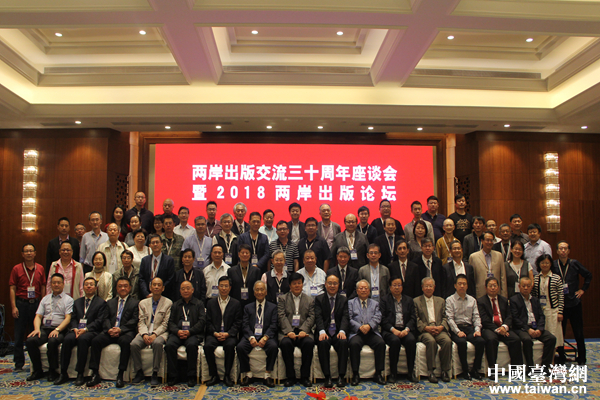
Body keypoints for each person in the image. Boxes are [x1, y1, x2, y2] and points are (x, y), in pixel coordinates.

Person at [54, 277, 107, 386]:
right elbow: (73, 318)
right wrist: (75, 328)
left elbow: (99, 321)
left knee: (83, 339)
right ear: (83, 287)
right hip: (76, 330)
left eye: (91, 284)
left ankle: (80, 373)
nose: (89, 286)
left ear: (95, 288)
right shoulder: (77, 302)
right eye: (86, 284)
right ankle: (63, 373)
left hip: (91, 331)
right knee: (67, 339)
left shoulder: (101, 303)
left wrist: (86, 329)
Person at [87, 276, 139, 388]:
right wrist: (109, 329)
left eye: (125, 286)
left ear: (130, 288)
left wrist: (121, 329)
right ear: (116, 288)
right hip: (110, 331)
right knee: (95, 341)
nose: (123, 288)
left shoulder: (135, 303)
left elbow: (134, 320)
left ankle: (120, 374)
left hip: (125, 332)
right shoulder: (110, 302)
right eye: (120, 286)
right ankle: (95, 373)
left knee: (126, 342)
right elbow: (105, 318)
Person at [26, 273, 74, 382]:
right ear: (51, 284)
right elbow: (38, 316)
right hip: (45, 328)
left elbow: (68, 318)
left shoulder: (68, 299)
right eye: (54, 283)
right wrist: (37, 329)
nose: (56, 285)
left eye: (59, 283)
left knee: (52, 341)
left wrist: (57, 329)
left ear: (63, 284)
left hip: (60, 329)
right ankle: (38, 370)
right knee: (30, 341)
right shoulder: (45, 299)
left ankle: (53, 371)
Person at [553, 241, 592, 365]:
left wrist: (583, 289)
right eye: (561, 248)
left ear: (569, 251)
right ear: (557, 251)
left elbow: (588, 275)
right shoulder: (554, 265)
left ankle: (582, 358)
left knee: (578, 332)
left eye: (565, 248)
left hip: (574, 303)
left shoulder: (574, 263)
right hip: (560, 304)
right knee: (561, 333)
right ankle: (561, 357)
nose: (563, 251)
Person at [9, 244, 46, 372]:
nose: (29, 253)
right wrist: (13, 306)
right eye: (26, 251)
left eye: (31, 251)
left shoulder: (40, 268)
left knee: (34, 334)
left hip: (35, 304)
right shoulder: (16, 269)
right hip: (21, 304)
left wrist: (42, 305)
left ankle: (34, 363)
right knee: (19, 335)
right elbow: (12, 288)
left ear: (35, 253)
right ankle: (19, 363)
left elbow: (43, 287)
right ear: (22, 254)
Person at [130, 277, 173, 387]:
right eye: (154, 285)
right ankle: (139, 372)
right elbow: (141, 322)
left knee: (157, 343)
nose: (156, 287)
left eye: (159, 285)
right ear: (150, 287)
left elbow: (165, 324)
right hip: (145, 331)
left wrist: (155, 334)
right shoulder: (143, 303)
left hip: (160, 333)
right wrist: (144, 334)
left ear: (163, 288)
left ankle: (155, 372)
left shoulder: (168, 303)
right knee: (134, 344)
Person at [509, 277, 556, 372]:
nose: (526, 288)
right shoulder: (514, 300)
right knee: (527, 339)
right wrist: (528, 329)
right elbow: (515, 318)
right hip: (522, 328)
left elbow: (541, 316)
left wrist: (540, 329)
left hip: (536, 327)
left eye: (528, 286)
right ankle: (530, 367)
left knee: (551, 338)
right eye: (523, 286)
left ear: (531, 287)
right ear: (519, 287)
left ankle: (545, 366)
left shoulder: (535, 300)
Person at [477, 277, 523, 374]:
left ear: (498, 287)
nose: (493, 288)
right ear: (485, 288)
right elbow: (484, 320)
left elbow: (509, 316)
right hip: (490, 328)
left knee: (515, 339)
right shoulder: (481, 301)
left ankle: (516, 370)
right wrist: (498, 329)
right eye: (490, 286)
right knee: (491, 339)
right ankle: (492, 369)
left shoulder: (504, 300)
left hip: (503, 328)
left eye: (495, 286)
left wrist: (504, 327)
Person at [237, 281, 277, 388]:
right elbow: (245, 325)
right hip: (251, 335)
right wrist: (251, 337)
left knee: (273, 347)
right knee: (240, 347)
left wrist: (265, 337)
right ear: (254, 292)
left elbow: (273, 325)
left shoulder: (273, 307)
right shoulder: (248, 307)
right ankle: (248, 374)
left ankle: (267, 375)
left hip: (266, 336)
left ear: (266, 292)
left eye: (262, 289)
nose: (260, 292)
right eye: (257, 290)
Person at [165, 280, 206, 387]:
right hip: (178, 333)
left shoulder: (199, 304)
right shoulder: (176, 304)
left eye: (188, 288)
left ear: (192, 290)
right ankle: (173, 375)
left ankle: (191, 375)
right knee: (169, 345)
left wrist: (190, 331)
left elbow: (202, 322)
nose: (185, 291)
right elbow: (170, 322)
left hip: (193, 333)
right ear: (180, 291)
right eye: (183, 289)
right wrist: (177, 331)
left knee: (191, 345)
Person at [278, 272, 315, 387]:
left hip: (304, 332)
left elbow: (311, 317)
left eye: (299, 283)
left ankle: (305, 377)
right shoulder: (283, 299)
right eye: (294, 283)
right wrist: (289, 331)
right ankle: (290, 377)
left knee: (309, 343)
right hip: (287, 332)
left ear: (303, 284)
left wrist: (304, 330)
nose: (297, 285)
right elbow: (281, 316)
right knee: (285, 344)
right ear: (290, 285)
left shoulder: (309, 300)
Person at [204, 276, 242, 387]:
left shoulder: (236, 303)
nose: (224, 288)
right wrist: (215, 333)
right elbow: (208, 322)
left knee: (230, 346)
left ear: (230, 288)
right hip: (214, 334)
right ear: (217, 287)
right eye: (221, 286)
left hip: (229, 334)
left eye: (226, 286)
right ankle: (214, 375)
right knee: (207, 346)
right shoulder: (211, 303)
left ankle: (227, 375)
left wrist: (228, 333)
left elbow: (238, 322)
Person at [445, 274, 484, 380]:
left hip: (469, 328)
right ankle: (465, 371)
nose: (462, 286)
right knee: (462, 342)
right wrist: (458, 332)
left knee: (480, 341)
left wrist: (477, 330)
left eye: (464, 284)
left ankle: (475, 370)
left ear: (467, 286)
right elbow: (450, 319)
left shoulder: (472, 300)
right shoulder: (449, 300)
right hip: (456, 328)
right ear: (455, 286)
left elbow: (476, 317)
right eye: (459, 284)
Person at [379, 276, 418, 383]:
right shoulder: (384, 300)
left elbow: (413, 318)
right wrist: (393, 330)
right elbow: (382, 319)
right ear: (390, 287)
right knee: (395, 341)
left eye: (399, 285)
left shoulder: (409, 300)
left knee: (411, 340)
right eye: (394, 285)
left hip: (405, 329)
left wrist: (406, 330)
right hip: (390, 330)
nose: (397, 287)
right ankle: (393, 373)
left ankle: (410, 372)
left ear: (402, 287)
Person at [347, 280, 385, 385]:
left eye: (365, 288)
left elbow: (378, 317)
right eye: (361, 288)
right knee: (354, 344)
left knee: (381, 343)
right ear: (357, 291)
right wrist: (359, 327)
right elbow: (349, 318)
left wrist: (369, 326)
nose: (363, 290)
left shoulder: (375, 303)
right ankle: (355, 374)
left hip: (371, 331)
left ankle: (378, 373)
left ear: (369, 291)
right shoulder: (351, 303)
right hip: (357, 332)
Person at [414, 277, 452, 383]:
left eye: (430, 286)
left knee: (447, 341)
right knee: (431, 342)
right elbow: (416, 319)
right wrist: (426, 328)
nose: (428, 288)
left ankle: (445, 371)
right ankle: (431, 371)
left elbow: (446, 317)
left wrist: (441, 327)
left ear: (434, 288)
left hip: (439, 329)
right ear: (422, 287)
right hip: (425, 330)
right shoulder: (416, 301)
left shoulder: (441, 301)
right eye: (426, 286)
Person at [314, 274, 349, 388]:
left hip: (338, 331)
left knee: (343, 342)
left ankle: (341, 377)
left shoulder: (343, 299)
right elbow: (318, 317)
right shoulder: (319, 299)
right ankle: (327, 377)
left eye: (335, 283)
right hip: (325, 331)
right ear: (325, 284)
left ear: (338, 285)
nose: (332, 286)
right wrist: (321, 331)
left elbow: (345, 317)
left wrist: (342, 331)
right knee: (323, 342)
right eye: (330, 283)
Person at [533, 254, 564, 358]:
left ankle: (552, 361)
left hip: (553, 311)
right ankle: (543, 360)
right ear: (539, 264)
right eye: (542, 263)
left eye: (547, 263)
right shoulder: (536, 278)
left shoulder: (556, 278)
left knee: (553, 336)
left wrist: (560, 312)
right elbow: (534, 295)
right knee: (542, 336)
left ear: (550, 264)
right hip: (540, 312)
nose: (545, 265)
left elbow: (561, 296)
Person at [469, 231, 507, 299]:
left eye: (491, 240)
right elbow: (472, 280)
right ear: (482, 241)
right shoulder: (473, 257)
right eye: (487, 240)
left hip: (496, 294)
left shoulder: (499, 255)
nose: (489, 242)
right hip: (480, 293)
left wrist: (504, 296)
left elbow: (503, 277)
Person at [139, 234, 175, 300]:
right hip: (147, 296)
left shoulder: (169, 260)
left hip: (163, 296)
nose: (155, 244)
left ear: (161, 244)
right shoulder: (145, 260)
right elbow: (141, 279)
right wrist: (146, 293)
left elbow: (170, 279)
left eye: (157, 242)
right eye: (153, 243)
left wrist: (158, 293)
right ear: (149, 245)